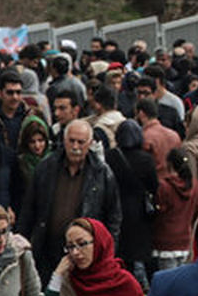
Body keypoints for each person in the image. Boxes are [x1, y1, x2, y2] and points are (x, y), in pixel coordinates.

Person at [16, 119, 121, 280]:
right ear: (64, 141)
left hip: (84, 253)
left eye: (81, 142)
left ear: (90, 143)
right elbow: (29, 209)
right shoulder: (46, 168)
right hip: (47, 250)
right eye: (71, 141)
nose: (75, 147)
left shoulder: (102, 173)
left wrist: (107, 254)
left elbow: (113, 216)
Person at [105, 120, 159, 286]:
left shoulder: (110, 156)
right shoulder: (146, 159)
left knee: (122, 253)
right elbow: (154, 186)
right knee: (141, 253)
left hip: (116, 207)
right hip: (139, 211)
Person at [153, 147, 198, 271]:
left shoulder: (164, 186)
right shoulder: (194, 185)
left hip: (165, 240)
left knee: (168, 279)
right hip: (185, 239)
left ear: (169, 164)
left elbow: (159, 211)